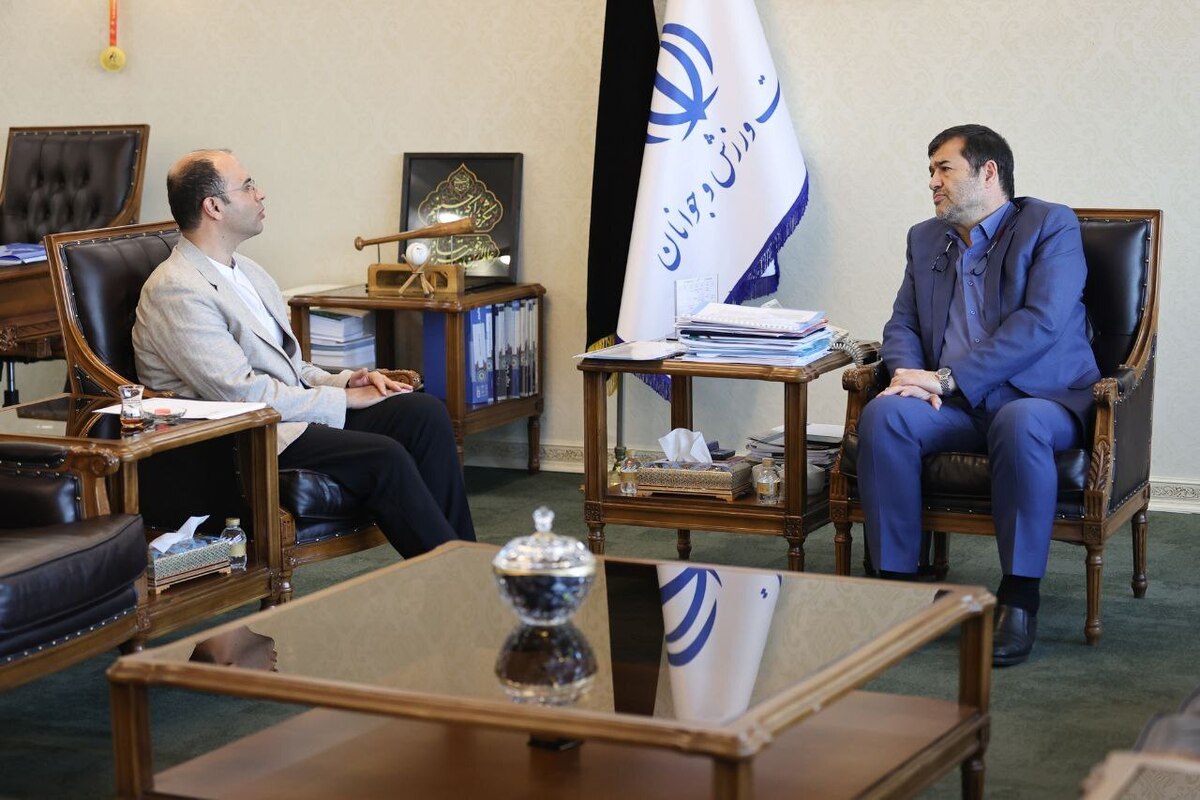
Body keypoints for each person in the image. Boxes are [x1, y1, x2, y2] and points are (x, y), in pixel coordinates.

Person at [133, 149, 475, 558]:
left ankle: (467, 561)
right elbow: (240, 394)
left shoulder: (249, 271)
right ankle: (455, 578)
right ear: (214, 207)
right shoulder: (176, 289)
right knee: (384, 456)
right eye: (247, 186)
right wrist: (343, 400)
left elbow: (291, 367)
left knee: (424, 414)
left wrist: (348, 381)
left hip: (286, 415)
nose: (260, 194)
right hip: (241, 440)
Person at [857, 124, 1099, 667]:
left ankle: (1019, 598)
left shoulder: (1051, 225)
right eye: (930, 171)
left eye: (944, 168)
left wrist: (946, 379)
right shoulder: (925, 238)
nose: (932, 182)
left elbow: (1041, 323)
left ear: (988, 172)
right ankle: (899, 591)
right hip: (957, 407)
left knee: (1019, 422)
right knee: (885, 416)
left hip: (1042, 398)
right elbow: (902, 323)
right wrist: (907, 377)